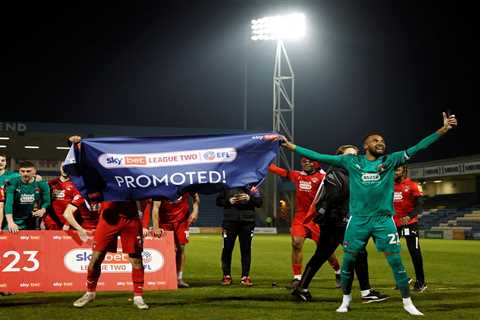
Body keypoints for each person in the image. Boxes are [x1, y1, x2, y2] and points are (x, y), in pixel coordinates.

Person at [280, 112, 457, 316]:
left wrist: (442, 130)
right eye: (375, 140)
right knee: (349, 259)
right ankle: (348, 299)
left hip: (383, 220)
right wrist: (291, 146)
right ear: (365, 146)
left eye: (382, 140)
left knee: (394, 260)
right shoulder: (351, 163)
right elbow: (318, 156)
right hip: (356, 220)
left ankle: (404, 301)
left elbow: (418, 147)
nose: (380, 142)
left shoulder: (391, 161)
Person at [292, 145, 388, 303]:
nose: (354, 157)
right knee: (359, 253)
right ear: (340, 157)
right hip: (337, 222)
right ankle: (366, 293)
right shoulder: (336, 174)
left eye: (356, 155)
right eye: (349, 154)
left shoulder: (348, 174)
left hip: (336, 222)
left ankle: (301, 288)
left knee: (322, 255)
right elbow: (334, 200)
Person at [68, 136, 149, 310]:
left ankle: (138, 296)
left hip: (130, 219)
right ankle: (90, 293)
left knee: (136, 259)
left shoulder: (133, 170)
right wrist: (75, 145)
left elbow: (147, 196)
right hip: (108, 218)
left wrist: (147, 222)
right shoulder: (100, 168)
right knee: (96, 258)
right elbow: (80, 165)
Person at [269, 158, 341, 288]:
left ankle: (338, 271)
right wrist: (262, 161)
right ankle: (297, 277)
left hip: (317, 219)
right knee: (296, 244)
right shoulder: (297, 175)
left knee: (325, 250)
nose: (306, 163)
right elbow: (277, 170)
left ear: (316, 163)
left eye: (309, 161)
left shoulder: (324, 177)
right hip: (300, 218)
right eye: (303, 162)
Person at [149, 192, 200, 288]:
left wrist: (195, 211)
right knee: (168, 250)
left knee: (181, 248)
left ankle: (179, 278)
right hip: (165, 221)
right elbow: (155, 207)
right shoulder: (161, 186)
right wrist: (155, 227)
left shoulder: (184, 181)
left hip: (182, 221)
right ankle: (165, 279)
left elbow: (195, 195)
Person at [217, 185, 262, 286]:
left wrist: (250, 198)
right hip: (229, 222)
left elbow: (259, 202)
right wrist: (229, 201)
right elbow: (218, 201)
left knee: (246, 249)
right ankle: (226, 276)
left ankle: (245, 277)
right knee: (227, 249)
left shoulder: (252, 187)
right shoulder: (227, 185)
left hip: (247, 222)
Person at [394, 165, 426, 292]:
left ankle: (421, 282)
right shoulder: (389, 186)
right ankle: (403, 279)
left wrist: (409, 216)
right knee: (392, 253)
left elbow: (420, 206)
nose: (395, 172)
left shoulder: (412, 185)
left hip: (410, 223)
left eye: (397, 170)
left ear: (404, 171)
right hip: (393, 224)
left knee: (414, 252)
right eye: (393, 170)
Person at [4, 161, 50, 232]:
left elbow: (47, 202)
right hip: (15, 221)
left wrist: (43, 210)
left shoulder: (42, 184)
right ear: (19, 172)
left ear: (34, 172)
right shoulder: (12, 183)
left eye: (28, 171)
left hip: (33, 222)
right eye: (22, 171)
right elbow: (8, 204)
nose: (25, 174)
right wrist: (10, 222)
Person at [0, 153, 20, 229]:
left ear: (6, 163)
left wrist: (36, 177)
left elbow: (28, 179)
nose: (0, 163)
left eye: (3, 160)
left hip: (10, 214)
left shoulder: (14, 176)